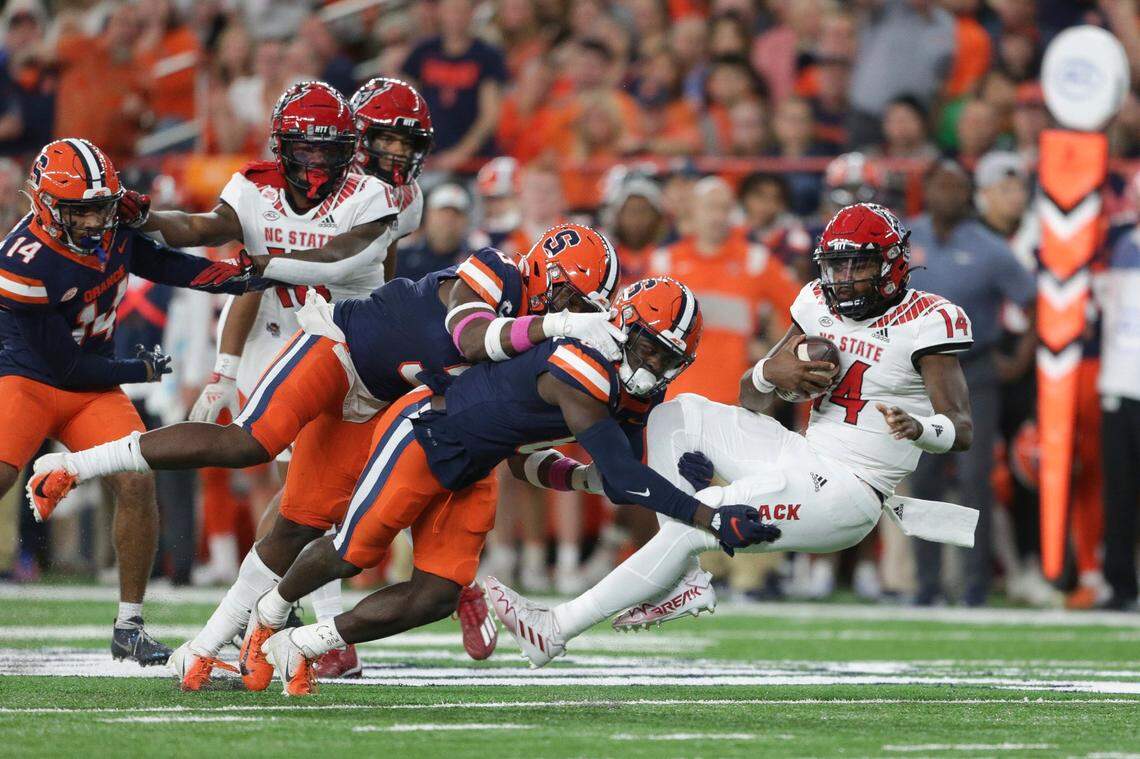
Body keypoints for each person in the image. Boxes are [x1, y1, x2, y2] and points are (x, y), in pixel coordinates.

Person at [30, 224, 624, 690]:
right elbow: (472, 338)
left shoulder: (536, 345)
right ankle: (76, 466)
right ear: (549, 273)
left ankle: (206, 648)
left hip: (382, 406)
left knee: (300, 524)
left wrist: (595, 478)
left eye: (581, 305)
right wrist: (564, 319)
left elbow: (510, 443)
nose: (572, 312)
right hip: (341, 349)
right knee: (250, 441)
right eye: (572, 296)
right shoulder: (498, 273)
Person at [44, 79, 425, 681]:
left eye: (330, 150)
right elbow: (202, 230)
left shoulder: (381, 194)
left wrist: (252, 267)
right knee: (276, 468)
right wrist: (146, 219)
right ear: (281, 147)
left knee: (330, 502)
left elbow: (347, 262)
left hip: (361, 350)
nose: (318, 163)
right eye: (305, 150)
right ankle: (287, 630)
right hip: (303, 342)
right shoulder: (253, 187)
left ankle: (285, 625)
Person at [488, 203, 976, 666]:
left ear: (892, 263)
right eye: (837, 265)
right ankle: (685, 580)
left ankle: (554, 627)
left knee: (699, 521)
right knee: (676, 416)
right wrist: (770, 374)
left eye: (858, 266)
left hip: (852, 490)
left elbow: (961, 428)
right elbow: (751, 395)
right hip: (804, 454)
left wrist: (921, 428)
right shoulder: (814, 302)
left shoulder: (930, 320)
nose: (844, 278)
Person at [246, 277, 777, 695]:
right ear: (622, 325)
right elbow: (622, 476)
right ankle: (267, 617)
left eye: (668, 359)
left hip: (481, 466)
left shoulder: (632, 391)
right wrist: (707, 516)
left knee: (434, 596)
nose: (655, 366)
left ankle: (304, 643)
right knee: (352, 552)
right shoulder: (583, 363)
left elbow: (604, 470)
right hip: (427, 437)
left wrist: (685, 477)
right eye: (650, 349)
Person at [2, 138, 259, 666]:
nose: (97, 220)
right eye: (82, 209)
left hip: (90, 385)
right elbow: (64, 367)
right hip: (29, 377)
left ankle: (129, 625)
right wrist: (137, 371)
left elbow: (164, 264)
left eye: (102, 205)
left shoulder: (113, 226)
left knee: (138, 479)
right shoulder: (24, 261)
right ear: (47, 206)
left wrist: (233, 277)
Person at [906, 159, 1034, 606]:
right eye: (939, 184)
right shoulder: (907, 238)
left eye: (956, 186)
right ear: (926, 190)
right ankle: (926, 585)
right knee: (923, 482)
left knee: (975, 479)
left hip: (973, 372)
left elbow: (1034, 299)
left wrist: (1018, 360)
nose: (947, 194)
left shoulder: (990, 247)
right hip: (916, 374)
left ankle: (975, 586)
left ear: (969, 195)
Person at [396, 183, 471, 282]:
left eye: (456, 215)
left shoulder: (475, 264)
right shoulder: (402, 258)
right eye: (443, 213)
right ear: (428, 215)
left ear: (465, 220)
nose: (448, 220)